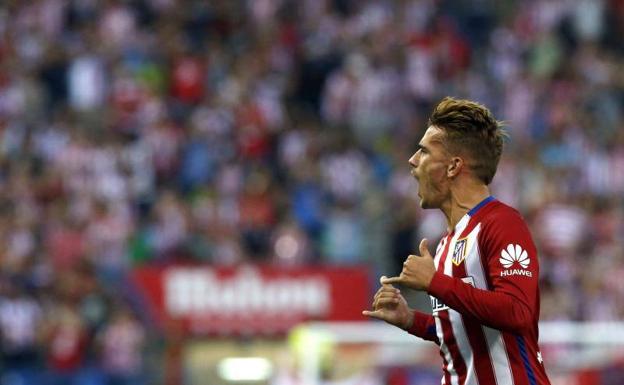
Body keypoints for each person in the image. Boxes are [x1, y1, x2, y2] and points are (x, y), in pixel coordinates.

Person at [363, 97, 551, 385]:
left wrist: (436, 282)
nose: (413, 160)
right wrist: (411, 319)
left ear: (453, 167)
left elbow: (518, 313)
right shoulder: (446, 244)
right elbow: (467, 335)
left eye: (424, 151)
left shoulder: (502, 223)